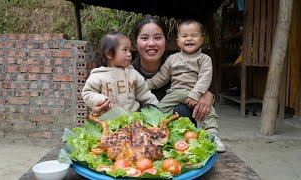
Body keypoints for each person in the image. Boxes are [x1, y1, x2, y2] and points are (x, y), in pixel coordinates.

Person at [91, 17, 225, 152]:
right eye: (144, 38)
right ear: (135, 44)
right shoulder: (125, 73)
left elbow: (204, 81)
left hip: (178, 138)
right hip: (136, 139)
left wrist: (208, 95)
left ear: (166, 42)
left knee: (182, 110)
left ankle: (201, 139)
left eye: (157, 37)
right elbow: (102, 99)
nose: (151, 43)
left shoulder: (185, 62)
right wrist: (100, 109)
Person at [133, 17, 225, 152]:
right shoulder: (171, 60)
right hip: (175, 93)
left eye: (194, 36)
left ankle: (212, 135)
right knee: (157, 110)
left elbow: (205, 78)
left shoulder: (204, 59)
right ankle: (151, 134)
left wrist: (205, 94)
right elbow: (161, 77)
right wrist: (144, 85)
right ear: (177, 41)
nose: (189, 39)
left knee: (208, 109)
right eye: (145, 38)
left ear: (201, 40)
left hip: (193, 93)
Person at [81, 32, 159, 113]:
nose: (129, 54)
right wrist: (100, 100)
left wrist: (158, 110)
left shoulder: (133, 74)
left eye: (130, 50)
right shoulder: (98, 76)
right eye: (125, 50)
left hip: (133, 121)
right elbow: (87, 93)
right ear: (109, 54)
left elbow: (145, 95)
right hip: (107, 122)